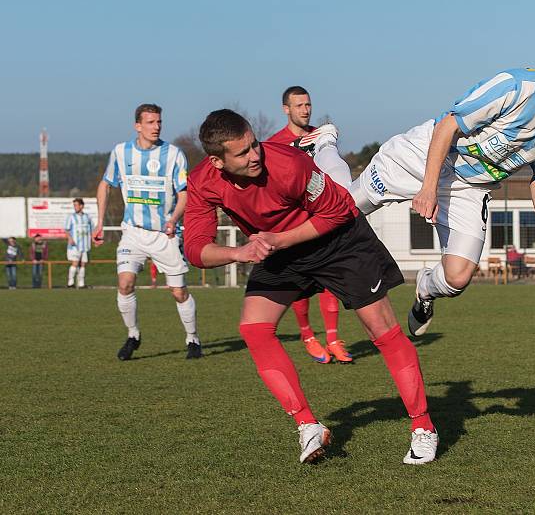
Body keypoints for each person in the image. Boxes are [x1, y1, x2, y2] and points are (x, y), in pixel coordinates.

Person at [183, 109, 437, 465]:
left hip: (338, 240)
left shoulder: (287, 163)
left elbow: (339, 211)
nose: (255, 155)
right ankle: (308, 425)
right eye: (242, 153)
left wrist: (279, 241)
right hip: (279, 249)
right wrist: (240, 252)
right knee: (254, 329)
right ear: (217, 161)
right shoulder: (201, 181)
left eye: (255, 144)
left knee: (382, 330)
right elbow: (195, 249)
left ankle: (423, 428)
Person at [348, 33, 535, 336]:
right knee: (340, 211)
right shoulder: (517, 87)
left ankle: (425, 289)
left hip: (471, 187)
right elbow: (448, 124)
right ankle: (324, 150)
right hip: (424, 156)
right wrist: (428, 187)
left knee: (457, 278)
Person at [93, 103, 202, 360]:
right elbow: (105, 185)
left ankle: (192, 338)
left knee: (178, 292)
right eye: (151, 122)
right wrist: (99, 222)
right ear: (138, 126)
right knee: (125, 283)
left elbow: (184, 193)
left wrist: (174, 218)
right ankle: (133, 335)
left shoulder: (174, 154)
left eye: (159, 122)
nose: (156, 127)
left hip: (165, 235)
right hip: (133, 232)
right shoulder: (121, 152)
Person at [266, 86, 352, 364]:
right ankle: (308, 337)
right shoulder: (274, 143)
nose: (305, 109)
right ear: (286, 109)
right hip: (294, 223)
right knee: (301, 284)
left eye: (308, 104)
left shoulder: (322, 137)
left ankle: (333, 339)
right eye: (299, 105)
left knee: (329, 282)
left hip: (323, 219)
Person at [65, 198, 94, 288]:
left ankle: (81, 283)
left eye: (76, 205)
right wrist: (70, 238)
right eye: (74, 205)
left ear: (81, 206)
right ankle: (70, 283)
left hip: (85, 245)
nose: (75, 207)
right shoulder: (71, 217)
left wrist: (94, 239)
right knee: (75, 262)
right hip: (75, 245)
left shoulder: (87, 217)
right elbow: (66, 229)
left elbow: (92, 229)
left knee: (83, 264)